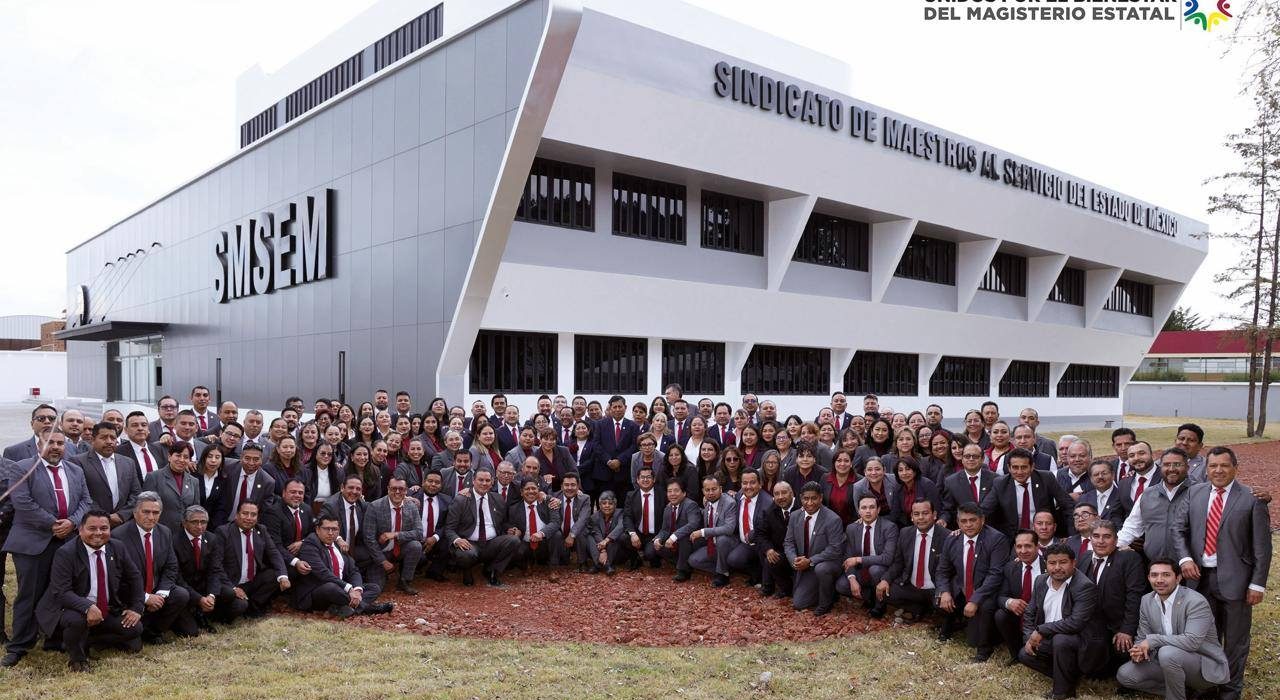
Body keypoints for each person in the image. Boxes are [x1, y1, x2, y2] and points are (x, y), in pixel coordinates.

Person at [1170, 446, 1272, 700]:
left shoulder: (1252, 498)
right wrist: (1185, 559)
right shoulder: (1195, 493)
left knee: (1235, 642)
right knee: (1204, 637)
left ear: (1235, 468)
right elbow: (1178, 529)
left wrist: (1257, 584)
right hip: (1199, 580)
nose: (1218, 470)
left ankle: (1229, 691)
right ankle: (1206, 686)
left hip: (1237, 582)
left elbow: (1262, 547)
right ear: (1206, 469)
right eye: (1213, 466)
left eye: (1224, 465)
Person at [2, 429, 94, 667]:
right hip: (33, 542)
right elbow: (22, 503)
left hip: (67, 540)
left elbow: (86, 501)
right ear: (38, 445)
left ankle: (53, 639)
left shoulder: (75, 470)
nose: (55, 447)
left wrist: (72, 522)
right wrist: (53, 524)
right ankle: (19, 646)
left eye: (60, 443)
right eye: (50, 442)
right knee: (29, 594)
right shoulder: (22, 468)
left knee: (60, 592)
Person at [35, 509, 143, 672]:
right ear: (80, 530)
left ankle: (85, 641)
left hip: (106, 608)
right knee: (77, 621)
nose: (98, 533)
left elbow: (135, 577)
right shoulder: (66, 553)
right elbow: (61, 591)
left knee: (135, 629)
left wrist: (136, 607)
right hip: (70, 608)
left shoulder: (117, 547)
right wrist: (87, 607)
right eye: (92, 528)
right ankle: (77, 658)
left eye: (104, 528)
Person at [1115, 558, 1230, 700]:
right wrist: (1139, 650)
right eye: (1154, 575)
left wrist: (1153, 640)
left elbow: (1192, 641)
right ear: (1148, 578)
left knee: (1167, 653)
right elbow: (1143, 636)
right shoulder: (1147, 600)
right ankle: (1186, 693)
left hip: (1203, 668)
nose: (1159, 580)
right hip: (1166, 661)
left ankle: (1181, 695)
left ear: (1178, 578)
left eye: (1166, 575)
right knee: (1125, 675)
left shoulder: (1195, 602)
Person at [1018, 543, 1098, 700]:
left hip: (1078, 639)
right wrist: (1029, 638)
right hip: (1049, 637)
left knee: (1060, 640)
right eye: (1052, 563)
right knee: (1024, 655)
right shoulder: (1041, 580)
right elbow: (1029, 612)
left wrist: (1041, 630)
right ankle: (1069, 676)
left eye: (1063, 562)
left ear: (1073, 563)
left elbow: (1076, 623)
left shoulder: (1084, 586)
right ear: (1046, 564)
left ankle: (1061, 692)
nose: (1057, 568)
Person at [109, 492, 189, 643]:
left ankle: (153, 632)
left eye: (155, 512)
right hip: (129, 596)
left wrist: (161, 594)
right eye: (146, 512)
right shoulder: (118, 536)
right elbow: (116, 579)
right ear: (135, 512)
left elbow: (171, 566)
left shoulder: (164, 532)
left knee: (181, 595)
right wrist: (145, 598)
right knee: (132, 646)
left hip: (155, 589)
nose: (151, 517)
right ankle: (138, 629)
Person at [935, 503, 1010, 662]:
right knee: (938, 598)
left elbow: (995, 575)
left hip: (986, 591)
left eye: (973, 520)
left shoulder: (997, 539)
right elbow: (942, 570)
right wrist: (944, 592)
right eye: (963, 521)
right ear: (957, 522)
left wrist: (975, 600)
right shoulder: (952, 538)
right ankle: (950, 626)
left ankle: (984, 648)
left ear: (982, 520)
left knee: (974, 639)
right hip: (962, 587)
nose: (968, 525)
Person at [1082, 520, 1146, 677]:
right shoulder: (1084, 557)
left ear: (1116, 540)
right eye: (1096, 536)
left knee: (1121, 654)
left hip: (1117, 627)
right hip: (1090, 625)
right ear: (1090, 539)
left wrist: (1127, 630)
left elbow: (1134, 596)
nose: (1101, 541)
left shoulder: (1129, 558)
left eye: (1107, 536)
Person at [444, 469, 520, 587]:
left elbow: (503, 522)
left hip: (491, 542)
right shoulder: (461, 500)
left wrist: (510, 529)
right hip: (470, 543)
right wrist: (457, 540)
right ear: (473, 481)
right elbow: (449, 528)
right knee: (466, 555)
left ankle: (492, 570)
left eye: (487, 480)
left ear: (492, 482)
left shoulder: (498, 499)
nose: (484, 483)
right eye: (480, 480)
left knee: (514, 540)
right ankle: (467, 570)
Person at [214, 501, 290, 618]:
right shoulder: (223, 532)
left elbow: (274, 553)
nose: (249, 518)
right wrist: (233, 588)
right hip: (230, 582)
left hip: (251, 581)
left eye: (253, 515)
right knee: (239, 606)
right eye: (245, 513)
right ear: (237, 515)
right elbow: (216, 565)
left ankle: (253, 606)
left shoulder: (261, 530)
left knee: (275, 575)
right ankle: (225, 611)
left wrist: (283, 576)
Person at [1117, 447, 1193, 562]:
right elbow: (1132, 527)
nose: (1171, 469)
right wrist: (1115, 546)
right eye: (1166, 464)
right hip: (1154, 565)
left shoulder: (1198, 493)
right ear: (1160, 467)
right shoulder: (1147, 494)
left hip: (1190, 565)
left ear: (1187, 467)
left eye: (1177, 464)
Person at [291, 514, 373, 618]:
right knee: (331, 588)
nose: (330, 533)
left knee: (373, 587)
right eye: (326, 529)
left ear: (338, 531)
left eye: (334, 529)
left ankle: (339, 608)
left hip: (339, 588)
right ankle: (367, 608)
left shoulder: (339, 545)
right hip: (316, 592)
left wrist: (357, 590)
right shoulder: (310, 545)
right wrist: (349, 589)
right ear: (317, 530)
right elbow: (323, 574)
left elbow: (353, 570)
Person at [979, 448, 1071, 540]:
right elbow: (984, 511)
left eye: (1024, 467)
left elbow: (1068, 505)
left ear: (1032, 467)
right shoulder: (1000, 484)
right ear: (1009, 468)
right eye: (1015, 467)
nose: (1019, 472)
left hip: (1044, 536)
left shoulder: (1046, 478)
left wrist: (1072, 537)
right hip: (1012, 539)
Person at [879, 498, 947, 621]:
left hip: (935, 588)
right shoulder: (905, 533)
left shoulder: (947, 536)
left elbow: (950, 570)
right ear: (911, 517)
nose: (921, 517)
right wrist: (885, 579)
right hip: (911, 587)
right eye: (916, 514)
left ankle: (927, 609)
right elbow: (898, 563)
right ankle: (917, 608)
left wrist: (945, 591)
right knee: (884, 592)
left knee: (943, 606)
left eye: (925, 513)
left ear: (934, 515)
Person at [784, 482, 845, 616]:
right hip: (804, 564)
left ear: (821, 498)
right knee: (799, 603)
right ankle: (820, 587)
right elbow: (788, 542)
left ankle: (826, 602)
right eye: (806, 499)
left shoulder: (833, 519)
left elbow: (835, 549)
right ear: (801, 498)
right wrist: (794, 560)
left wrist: (810, 561)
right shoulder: (795, 516)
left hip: (825, 563)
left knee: (821, 569)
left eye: (814, 498)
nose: (810, 503)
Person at [320, 476, 384, 604]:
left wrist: (405, 500)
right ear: (342, 488)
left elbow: (380, 507)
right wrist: (338, 539)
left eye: (358, 489)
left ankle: (362, 588)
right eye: (350, 488)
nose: (354, 492)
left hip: (353, 550)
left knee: (374, 553)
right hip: (334, 549)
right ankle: (354, 598)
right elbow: (320, 526)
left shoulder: (362, 505)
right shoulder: (331, 505)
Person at [172, 505, 231, 634]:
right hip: (185, 591)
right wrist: (198, 599)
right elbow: (176, 578)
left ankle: (205, 613)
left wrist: (211, 595)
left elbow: (215, 570)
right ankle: (191, 613)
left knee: (229, 593)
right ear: (184, 523)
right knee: (190, 632)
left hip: (204, 587)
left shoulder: (212, 539)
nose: (200, 526)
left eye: (203, 522)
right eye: (195, 522)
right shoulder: (174, 541)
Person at [70, 421, 141, 527]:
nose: (109, 442)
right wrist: (105, 517)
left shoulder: (128, 462)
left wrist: (121, 515)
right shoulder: (78, 462)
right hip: (92, 524)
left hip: (122, 524)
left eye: (113, 438)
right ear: (93, 440)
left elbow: (136, 493)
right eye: (104, 438)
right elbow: (81, 495)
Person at [838, 495, 898, 616]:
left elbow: (887, 558)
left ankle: (880, 605)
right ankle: (870, 597)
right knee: (841, 585)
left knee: (875, 570)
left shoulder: (889, 527)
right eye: (864, 508)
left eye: (872, 507)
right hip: (861, 571)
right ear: (859, 511)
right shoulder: (851, 528)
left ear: (878, 510)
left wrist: (858, 559)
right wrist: (852, 578)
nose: (868, 511)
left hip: (880, 570)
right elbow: (848, 557)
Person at [363, 476, 423, 595]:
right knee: (376, 589)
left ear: (406, 490)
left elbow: (419, 533)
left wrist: (395, 535)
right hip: (380, 552)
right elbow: (369, 539)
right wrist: (383, 561)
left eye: (401, 489)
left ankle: (405, 581)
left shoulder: (412, 506)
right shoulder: (375, 506)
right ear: (388, 489)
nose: (397, 492)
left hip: (400, 548)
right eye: (394, 488)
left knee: (415, 546)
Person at [994, 530, 1046, 664]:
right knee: (1001, 615)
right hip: (1020, 614)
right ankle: (1016, 654)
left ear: (1037, 546)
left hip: (1044, 616)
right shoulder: (1010, 567)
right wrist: (1009, 602)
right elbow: (1000, 596)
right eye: (1019, 546)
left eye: (1028, 546)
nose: (1023, 551)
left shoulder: (1048, 565)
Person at [688, 475, 738, 587]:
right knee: (693, 561)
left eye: (714, 489)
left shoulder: (729, 503)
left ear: (720, 489)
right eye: (707, 490)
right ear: (703, 491)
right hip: (712, 543)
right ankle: (725, 568)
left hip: (729, 543)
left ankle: (722, 574)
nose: (710, 493)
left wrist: (703, 532)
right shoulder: (707, 502)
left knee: (722, 539)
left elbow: (729, 528)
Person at [261, 479, 314, 583]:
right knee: (295, 572)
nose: (297, 495)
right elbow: (275, 546)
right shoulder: (273, 513)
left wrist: (303, 542)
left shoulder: (307, 509)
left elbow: (314, 532)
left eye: (300, 493)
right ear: (284, 493)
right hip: (280, 559)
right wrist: (296, 562)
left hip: (302, 554)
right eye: (293, 492)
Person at [507, 481, 564, 579]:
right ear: (521, 492)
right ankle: (527, 564)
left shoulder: (548, 503)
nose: (531, 491)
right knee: (514, 542)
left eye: (534, 488)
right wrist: (514, 530)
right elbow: (509, 524)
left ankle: (554, 567)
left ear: (538, 491)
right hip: (526, 543)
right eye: (527, 489)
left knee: (557, 534)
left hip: (544, 542)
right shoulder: (514, 508)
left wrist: (541, 533)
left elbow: (555, 522)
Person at [726, 469, 771, 586]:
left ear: (760, 484)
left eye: (752, 482)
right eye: (745, 483)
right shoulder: (738, 497)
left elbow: (769, 529)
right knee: (733, 560)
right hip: (744, 543)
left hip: (762, 544)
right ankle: (755, 572)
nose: (748, 486)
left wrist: (753, 535)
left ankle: (766, 579)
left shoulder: (768, 503)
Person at [652, 478, 702, 582]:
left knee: (683, 538)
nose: (672, 494)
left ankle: (683, 570)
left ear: (684, 493)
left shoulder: (691, 505)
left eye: (676, 490)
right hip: (676, 543)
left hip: (693, 541)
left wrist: (674, 536)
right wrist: (658, 538)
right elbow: (665, 529)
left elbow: (693, 524)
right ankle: (684, 563)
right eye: (669, 491)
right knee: (657, 546)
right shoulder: (668, 508)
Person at [143, 442, 200, 532]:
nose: (181, 460)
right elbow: (145, 507)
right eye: (178, 455)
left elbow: (195, 509)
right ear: (169, 457)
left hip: (184, 533)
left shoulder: (194, 481)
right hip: (160, 531)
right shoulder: (154, 477)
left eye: (186, 457)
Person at [755, 481, 799, 599]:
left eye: (784, 493)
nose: (780, 497)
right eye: (776, 494)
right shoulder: (770, 511)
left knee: (801, 597)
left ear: (792, 493)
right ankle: (784, 588)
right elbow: (761, 534)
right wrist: (768, 549)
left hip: (803, 553)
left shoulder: (802, 506)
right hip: (782, 552)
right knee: (769, 556)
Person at [940, 442, 993, 528]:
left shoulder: (995, 480)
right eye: (967, 456)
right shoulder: (951, 482)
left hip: (991, 529)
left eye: (975, 456)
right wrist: (943, 520)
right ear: (962, 459)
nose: (971, 459)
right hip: (965, 529)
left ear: (982, 459)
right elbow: (948, 509)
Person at [596, 395, 640, 500]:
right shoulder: (600, 424)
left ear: (625, 407)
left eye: (620, 406)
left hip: (624, 474)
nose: (617, 409)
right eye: (614, 407)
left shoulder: (633, 426)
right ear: (610, 408)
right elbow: (596, 445)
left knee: (623, 505)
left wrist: (619, 460)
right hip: (604, 474)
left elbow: (634, 446)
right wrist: (608, 461)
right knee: (605, 504)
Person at [220, 444, 275, 523]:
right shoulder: (227, 466)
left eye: (256, 459)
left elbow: (264, 511)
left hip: (248, 524)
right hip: (222, 520)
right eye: (247, 458)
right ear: (241, 458)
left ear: (261, 460)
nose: (251, 463)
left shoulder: (268, 482)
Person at [549, 472, 591, 570]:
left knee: (581, 530)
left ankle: (582, 562)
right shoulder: (554, 498)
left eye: (573, 485)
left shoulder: (585, 499)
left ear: (578, 486)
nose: (569, 488)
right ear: (561, 486)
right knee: (555, 534)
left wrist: (572, 535)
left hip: (576, 536)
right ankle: (556, 562)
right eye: (566, 485)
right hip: (561, 534)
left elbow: (582, 519)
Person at [416, 470, 452, 582]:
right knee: (419, 557)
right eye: (430, 481)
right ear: (423, 482)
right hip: (415, 539)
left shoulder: (447, 500)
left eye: (437, 482)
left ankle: (434, 572)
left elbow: (447, 523)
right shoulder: (412, 497)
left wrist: (435, 537)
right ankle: (413, 568)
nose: (433, 484)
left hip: (435, 538)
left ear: (441, 485)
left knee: (448, 542)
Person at [623, 466, 662, 570]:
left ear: (654, 479)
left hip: (655, 534)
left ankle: (653, 556)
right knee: (624, 538)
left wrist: (659, 536)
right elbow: (627, 517)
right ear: (637, 480)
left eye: (648, 477)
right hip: (638, 533)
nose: (645, 480)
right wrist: (633, 534)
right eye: (642, 477)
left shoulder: (662, 494)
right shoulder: (631, 495)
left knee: (650, 554)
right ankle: (635, 558)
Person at [1077, 458, 1131, 532]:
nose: (1100, 477)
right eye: (1096, 474)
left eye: (1104, 473)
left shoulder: (1123, 496)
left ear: (1113, 475)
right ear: (1091, 478)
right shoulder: (1084, 499)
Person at [586, 491, 625, 574]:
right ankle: (606, 565)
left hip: (616, 552)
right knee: (589, 537)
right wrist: (603, 550)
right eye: (604, 503)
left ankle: (598, 565)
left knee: (617, 537)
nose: (607, 506)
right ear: (599, 505)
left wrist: (607, 540)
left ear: (615, 505)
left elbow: (620, 526)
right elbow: (597, 534)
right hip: (599, 548)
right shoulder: (594, 517)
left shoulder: (621, 513)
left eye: (610, 503)